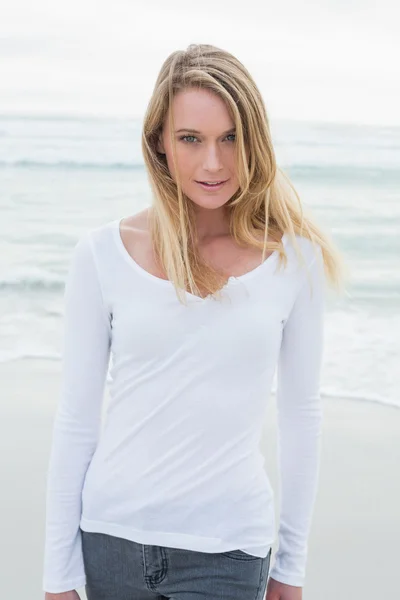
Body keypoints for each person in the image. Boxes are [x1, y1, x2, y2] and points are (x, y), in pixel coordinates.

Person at [42, 44, 347, 600]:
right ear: (159, 141)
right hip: (110, 541)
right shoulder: (101, 255)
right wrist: (57, 573)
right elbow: (76, 419)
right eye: (191, 138)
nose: (213, 162)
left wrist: (293, 565)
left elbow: (301, 415)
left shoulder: (292, 261)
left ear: (254, 141)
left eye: (230, 138)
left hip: (228, 551)